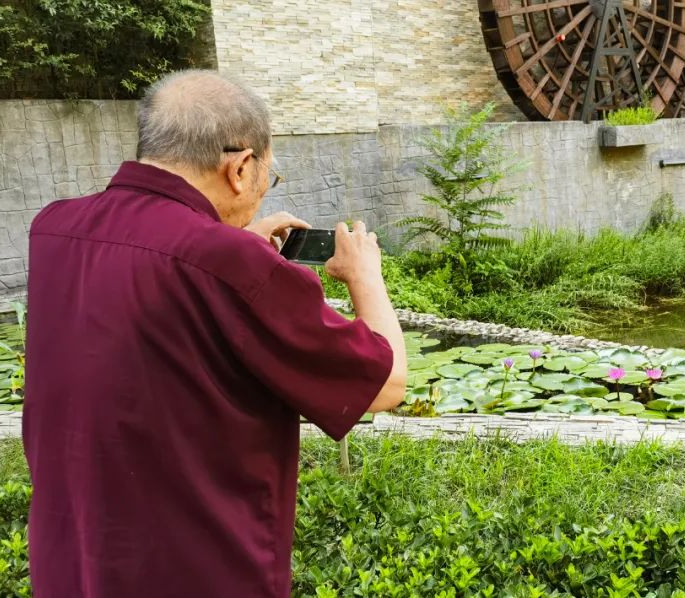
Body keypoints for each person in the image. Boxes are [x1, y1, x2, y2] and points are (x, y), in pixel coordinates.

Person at [22, 70, 407, 597]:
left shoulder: (56, 228)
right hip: (195, 570)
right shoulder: (230, 262)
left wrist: (229, 243)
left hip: (74, 563)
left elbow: (149, 290)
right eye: (270, 177)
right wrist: (367, 276)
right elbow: (385, 384)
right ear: (241, 167)